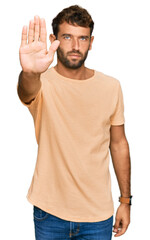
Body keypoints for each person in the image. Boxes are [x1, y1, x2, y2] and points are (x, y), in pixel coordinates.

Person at [17, 5, 132, 240]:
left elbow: (119, 144)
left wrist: (125, 201)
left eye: (82, 38)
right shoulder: (42, 83)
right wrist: (29, 73)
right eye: (67, 37)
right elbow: (25, 91)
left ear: (91, 42)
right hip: (49, 212)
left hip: (97, 215)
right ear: (53, 39)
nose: (76, 46)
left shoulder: (111, 87)